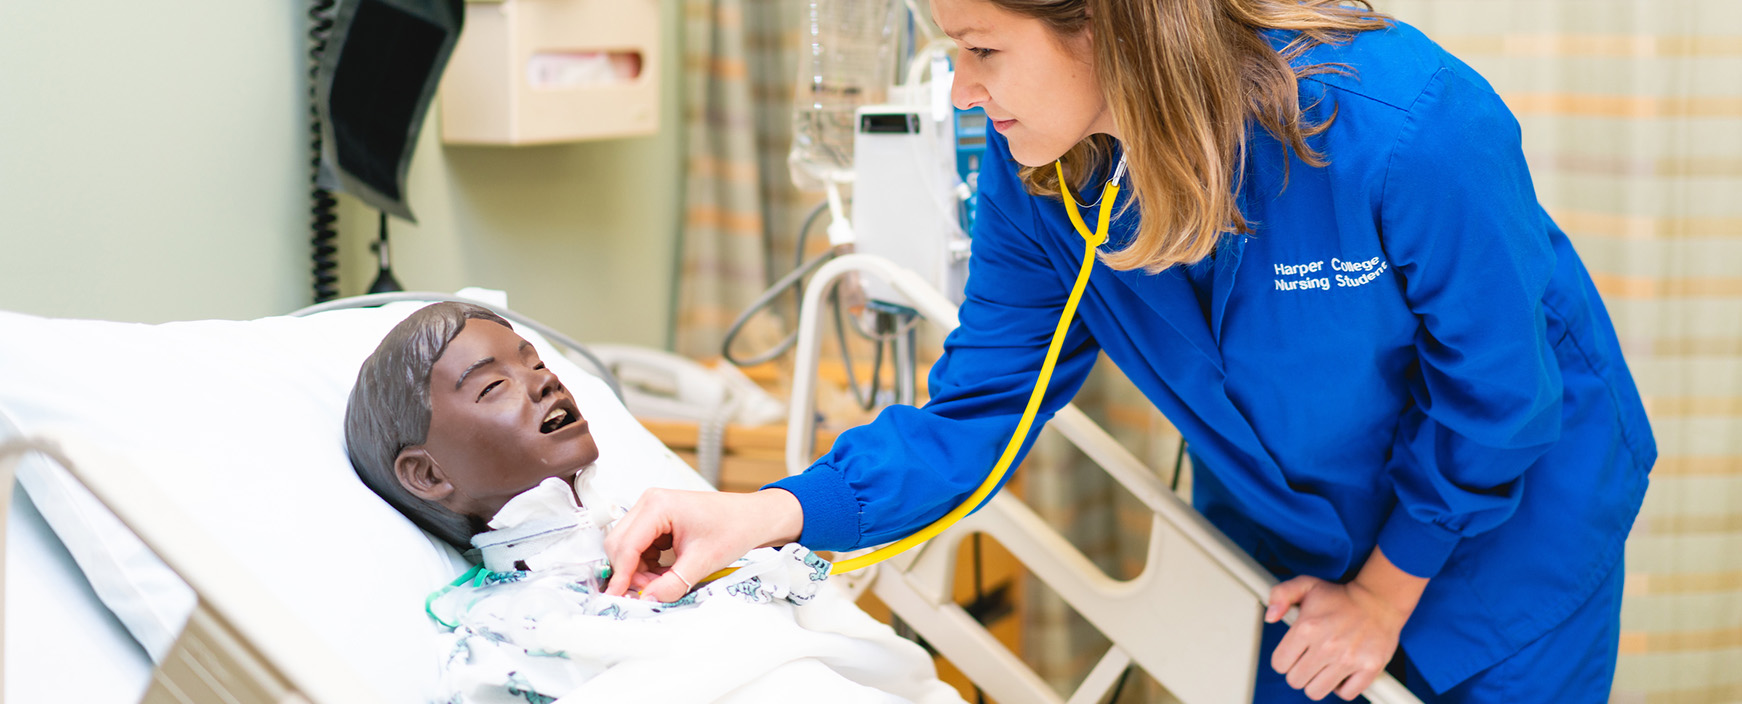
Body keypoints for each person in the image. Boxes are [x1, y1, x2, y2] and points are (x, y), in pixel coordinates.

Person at [603, 1, 1656, 702]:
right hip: (1287, 537)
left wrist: (1384, 593)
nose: (962, 91)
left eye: (979, 49)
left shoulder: (1399, 126)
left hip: (1504, 529)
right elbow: (976, 413)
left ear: (1109, 27)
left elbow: (1503, 398)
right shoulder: (1044, 176)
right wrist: (754, 513)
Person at [343, 302, 964, 703]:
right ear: (426, 475)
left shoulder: (682, 540)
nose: (543, 379)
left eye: (535, 362)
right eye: (494, 384)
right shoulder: (504, 630)